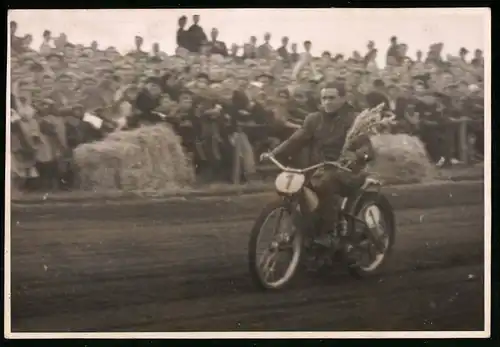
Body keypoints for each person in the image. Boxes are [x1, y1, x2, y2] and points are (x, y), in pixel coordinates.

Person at [260, 82, 375, 250]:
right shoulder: (314, 119)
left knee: (326, 183)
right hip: (317, 170)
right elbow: (296, 139)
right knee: (297, 186)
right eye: (324, 98)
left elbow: (365, 146)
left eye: (332, 98)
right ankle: (306, 230)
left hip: (347, 171)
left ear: (343, 98)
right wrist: (274, 153)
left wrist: (358, 155)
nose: (327, 102)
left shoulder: (354, 120)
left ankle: (327, 233)